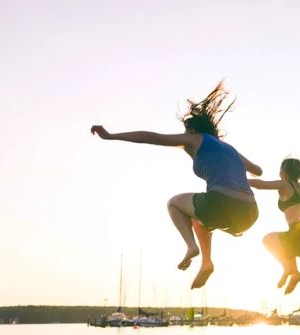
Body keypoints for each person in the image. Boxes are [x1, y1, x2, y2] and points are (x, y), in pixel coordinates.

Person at [91, 81, 262, 289]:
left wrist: (111, 136)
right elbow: (258, 170)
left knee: (174, 203)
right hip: (250, 213)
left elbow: (151, 137)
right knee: (198, 219)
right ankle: (206, 263)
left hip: (222, 204)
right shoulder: (229, 148)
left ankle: (191, 247)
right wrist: (236, 169)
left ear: (190, 130)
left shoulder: (195, 139)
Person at [249, 157, 300, 294]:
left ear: (284, 171)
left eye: (281, 169)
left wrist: (239, 181)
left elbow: (261, 184)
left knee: (268, 239)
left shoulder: (285, 185)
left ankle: (291, 270)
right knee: (287, 245)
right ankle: (293, 272)